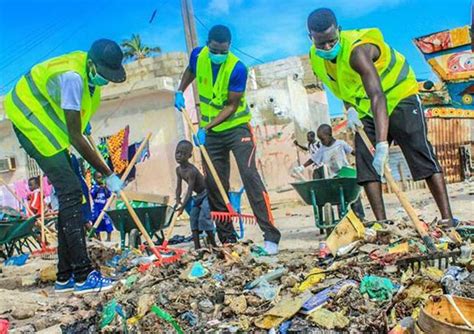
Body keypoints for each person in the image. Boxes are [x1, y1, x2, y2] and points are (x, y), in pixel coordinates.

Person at [307, 9, 454, 226]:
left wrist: (382, 143)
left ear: (338, 30)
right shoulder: (316, 59)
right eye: (321, 44)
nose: (327, 48)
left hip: (399, 95)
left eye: (331, 41)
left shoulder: (357, 50)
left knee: (421, 154)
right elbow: (342, 86)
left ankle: (447, 218)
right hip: (366, 108)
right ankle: (382, 225)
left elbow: (378, 96)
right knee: (366, 165)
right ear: (311, 37)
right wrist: (349, 109)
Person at [4, 39, 127, 294]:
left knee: (71, 195)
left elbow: (76, 117)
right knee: (71, 192)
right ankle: (83, 276)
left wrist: (81, 123)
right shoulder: (73, 76)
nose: (105, 80)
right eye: (103, 75)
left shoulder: (89, 75)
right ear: (92, 64)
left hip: (48, 123)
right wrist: (108, 173)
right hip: (30, 120)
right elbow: (75, 137)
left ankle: (65, 276)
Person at [174, 25, 281, 254]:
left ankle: (271, 237)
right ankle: (227, 239)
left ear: (229, 47)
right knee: (213, 183)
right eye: (215, 50)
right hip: (212, 134)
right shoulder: (198, 55)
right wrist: (180, 90)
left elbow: (232, 106)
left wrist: (206, 126)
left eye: (223, 51)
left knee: (249, 175)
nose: (219, 55)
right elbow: (190, 71)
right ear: (208, 44)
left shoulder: (237, 68)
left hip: (236, 129)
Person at [312, 124, 365, 219]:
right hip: (333, 177)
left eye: (323, 139)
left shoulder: (340, 143)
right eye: (320, 139)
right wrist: (302, 167)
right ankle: (343, 218)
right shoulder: (322, 149)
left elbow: (352, 152)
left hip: (345, 174)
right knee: (340, 199)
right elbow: (313, 159)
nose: (322, 142)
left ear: (329, 135)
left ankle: (360, 216)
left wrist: (363, 155)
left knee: (354, 196)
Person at [175, 140, 217, 250]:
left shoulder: (191, 170)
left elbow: (189, 191)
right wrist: (178, 200)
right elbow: (178, 186)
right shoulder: (178, 170)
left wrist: (182, 207)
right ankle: (197, 248)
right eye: (177, 152)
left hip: (206, 194)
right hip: (198, 196)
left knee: (204, 218)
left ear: (189, 156)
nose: (179, 155)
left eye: (183, 154)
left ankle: (214, 244)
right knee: (193, 219)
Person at [91, 171, 114, 242]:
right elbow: (92, 195)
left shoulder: (105, 187)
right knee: (96, 221)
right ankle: (98, 237)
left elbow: (108, 195)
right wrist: (98, 188)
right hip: (97, 208)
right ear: (94, 179)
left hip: (105, 207)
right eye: (98, 178)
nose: (100, 179)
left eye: (101, 178)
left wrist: (105, 188)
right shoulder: (94, 187)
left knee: (107, 222)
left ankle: (109, 237)